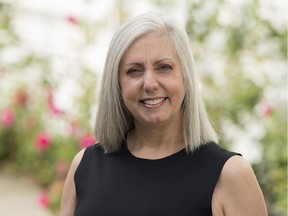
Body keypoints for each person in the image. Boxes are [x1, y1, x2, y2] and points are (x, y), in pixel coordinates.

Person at [60, 12, 268, 216]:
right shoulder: (85, 166)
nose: (149, 83)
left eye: (164, 67)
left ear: (185, 77)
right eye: (134, 70)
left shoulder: (229, 174)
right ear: (116, 84)